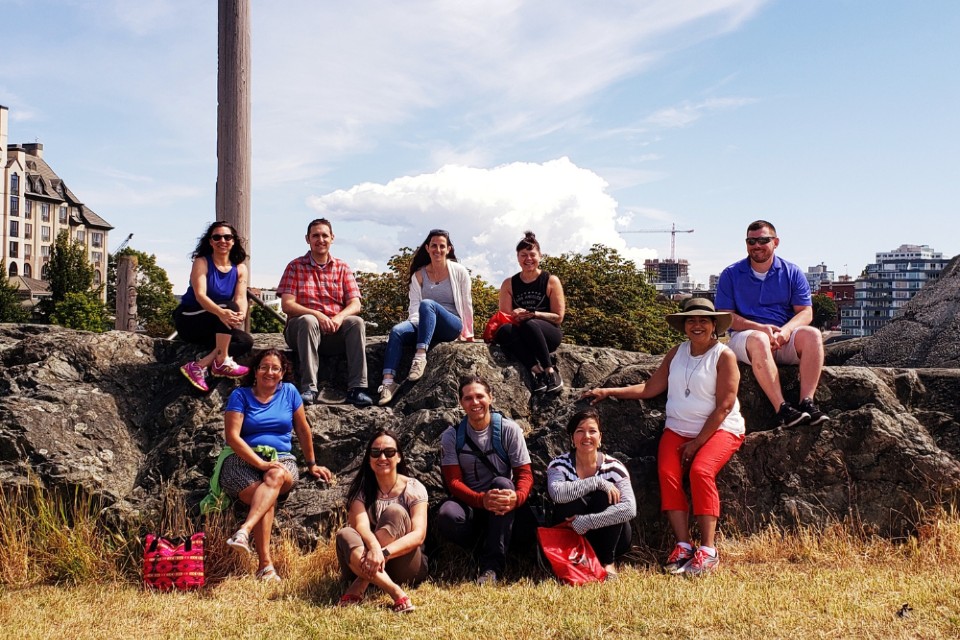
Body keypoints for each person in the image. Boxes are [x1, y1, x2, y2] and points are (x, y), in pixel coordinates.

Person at [582, 298, 745, 577]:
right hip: (677, 427)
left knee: (701, 471)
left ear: (714, 325)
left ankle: (708, 550)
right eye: (691, 320)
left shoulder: (723, 355)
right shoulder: (677, 353)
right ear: (683, 326)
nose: (697, 325)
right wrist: (609, 391)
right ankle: (683, 546)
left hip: (719, 429)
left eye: (703, 320)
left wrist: (696, 443)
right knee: (667, 473)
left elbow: (725, 406)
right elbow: (649, 388)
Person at [220, 349, 333, 582]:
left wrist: (311, 464)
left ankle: (244, 530)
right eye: (264, 367)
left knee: (275, 476)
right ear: (255, 370)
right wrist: (260, 463)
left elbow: (302, 429)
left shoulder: (290, 392)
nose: (269, 372)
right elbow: (232, 437)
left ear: (282, 373)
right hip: (241, 459)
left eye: (275, 368)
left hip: (281, 458)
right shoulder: (240, 395)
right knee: (266, 498)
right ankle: (265, 566)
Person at [715, 220, 828, 427]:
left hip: (781, 338)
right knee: (758, 339)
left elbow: (805, 312)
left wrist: (785, 332)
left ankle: (807, 403)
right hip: (747, 339)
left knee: (812, 335)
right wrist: (759, 328)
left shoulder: (792, 272)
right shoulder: (731, 274)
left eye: (763, 240)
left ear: (775, 242)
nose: (756, 245)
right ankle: (782, 409)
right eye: (751, 241)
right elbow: (724, 316)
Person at [437, 375, 534, 585]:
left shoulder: (509, 430)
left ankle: (492, 567)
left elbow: (524, 475)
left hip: (503, 505)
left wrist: (516, 498)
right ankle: (483, 546)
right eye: (468, 398)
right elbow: (453, 482)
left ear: (490, 398)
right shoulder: (451, 436)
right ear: (461, 403)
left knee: (502, 484)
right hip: (472, 505)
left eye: (480, 396)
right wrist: (481, 500)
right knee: (446, 514)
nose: (475, 403)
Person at [278, 218, 372, 407]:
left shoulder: (342, 267)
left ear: (332, 238)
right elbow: (287, 304)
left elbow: (355, 304)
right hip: (302, 332)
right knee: (308, 320)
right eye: (315, 236)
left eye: (324, 235)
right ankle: (308, 388)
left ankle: (357, 389)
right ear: (307, 239)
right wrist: (318, 315)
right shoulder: (295, 266)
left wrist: (339, 317)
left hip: (333, 333)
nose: (320, 240)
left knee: (356, 322)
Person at [335, 428, 427, 613]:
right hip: (367, 557)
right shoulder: (360, 491)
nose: (382, 457)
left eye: (389, 452)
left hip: (405, 565)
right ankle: (394, 591)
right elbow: (360, 526)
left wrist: (382, 554)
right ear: (369, 459)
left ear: (399, 457)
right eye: (375, 453)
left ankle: (362, 582)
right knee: (345, 533)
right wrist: (374, 549)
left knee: (395, 512)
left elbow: (419, 535)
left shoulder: (413, 488)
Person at [378, 229, 474, 406]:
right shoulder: (419, 275)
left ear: (449, 249)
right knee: (397, 331)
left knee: (427, 304)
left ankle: (420, 356)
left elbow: (467, 302)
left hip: (450, 324)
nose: (438, 250)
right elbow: (414, 306)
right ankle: (388, 382)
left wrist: (469, 333)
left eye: (442, 246)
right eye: (434, 246)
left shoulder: (459, 272)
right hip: (424, 323)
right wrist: (417, 326)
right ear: (427, 248)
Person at [546, 408, 635, 578]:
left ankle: (607, 563)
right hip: (572, 533)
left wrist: (587, 521)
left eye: (592, 431)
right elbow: (557, 493)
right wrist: (596, 482)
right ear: (572, 438)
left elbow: (630, 509)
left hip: (608, 536)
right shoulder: (559, 465)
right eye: (580, 431)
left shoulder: (614, 467)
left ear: (600, 438)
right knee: (570, 498)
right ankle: (573, 561)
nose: (587, 436)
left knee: (608, 495)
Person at [174, 221, 253, 392]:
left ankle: (202, 365)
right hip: (190, 318)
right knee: (228, 306)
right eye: (217, 237)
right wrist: (223, 312)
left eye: (227, 237)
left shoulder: (240, 268)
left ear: (233, 241)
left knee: (245, 341)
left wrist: (241, 315)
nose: (222, 240)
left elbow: (241, 297)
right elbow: (200, 295)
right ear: (210, 241)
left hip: (216, 321)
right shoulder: (201, 262)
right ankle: (223, 359)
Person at [494, 231, 566, 393]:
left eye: (532, 254)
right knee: (504, 331)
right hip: (521, 332)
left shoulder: (550, 281)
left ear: (540, 256)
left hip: (547, 333)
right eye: (523, 255)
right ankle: (537, 372)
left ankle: (550, 371)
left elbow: (558, 317)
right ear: (518, 257)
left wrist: (534, 314)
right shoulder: (509, 283)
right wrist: (515, 315)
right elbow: (504, 317)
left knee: (529, 323)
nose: (528, 259)